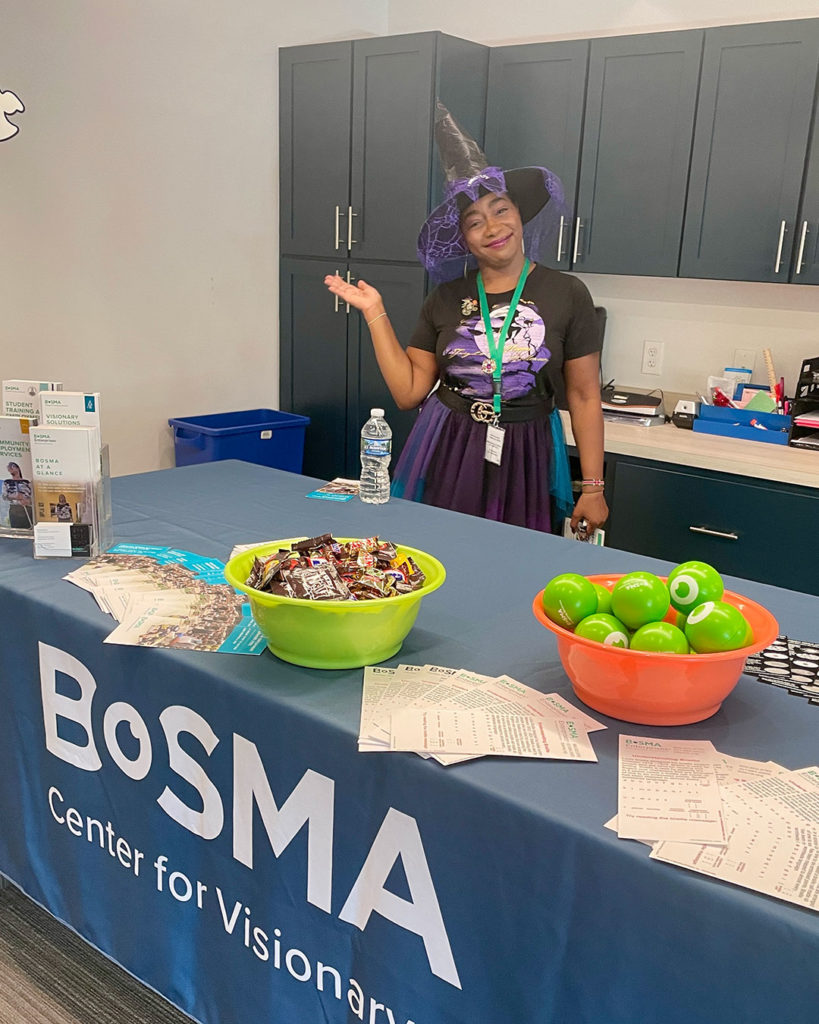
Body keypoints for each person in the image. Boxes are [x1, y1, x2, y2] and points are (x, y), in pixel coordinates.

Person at [324, 103, 608, 535]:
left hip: (527, 450)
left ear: (519, 215)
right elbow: (408, 392)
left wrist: (592, 487)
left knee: (516, 561)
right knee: (441, 553)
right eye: (474, 222)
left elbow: (585, 396)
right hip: (448, 445)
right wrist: (374, 313)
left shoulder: (567, 293)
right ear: (464, 239)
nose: (492, 227)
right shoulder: (446, 297)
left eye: (500, 210)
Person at [2, 461, 33, 529]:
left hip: (27, 508)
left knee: (28, 528)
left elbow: (34, 496)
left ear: (18, 468)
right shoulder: (6, 482)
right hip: (14, 508)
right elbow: (4, 496)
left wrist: (28, 501)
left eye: (12, 466)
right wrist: (14, 496)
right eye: (9, 467)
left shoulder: (26, 482)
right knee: (16, 530)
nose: (10, 468)